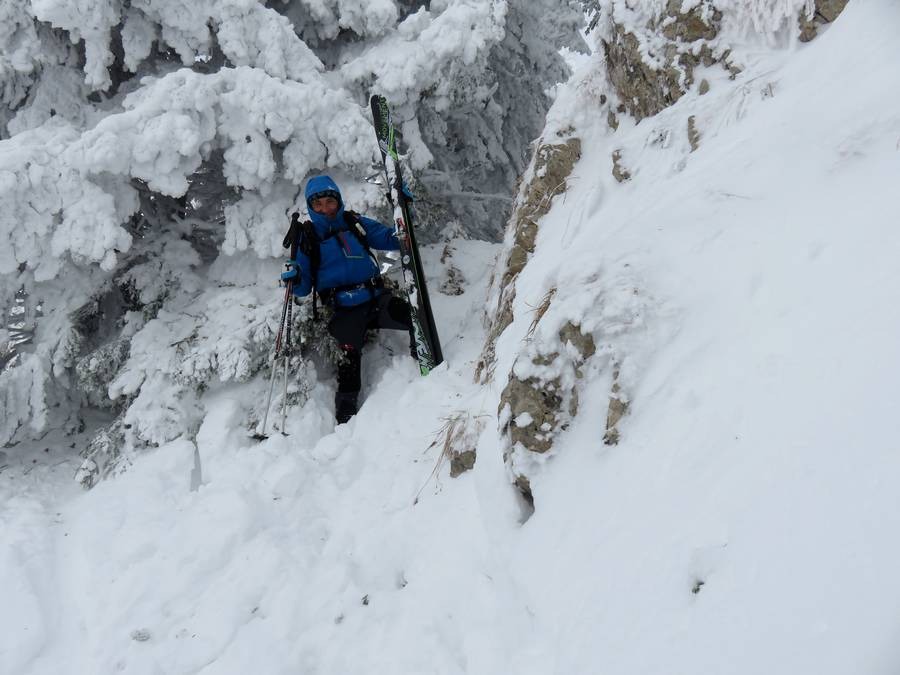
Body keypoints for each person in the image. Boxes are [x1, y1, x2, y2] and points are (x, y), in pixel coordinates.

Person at [281, 175, 414, 424]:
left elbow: (396, 240)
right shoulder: (307, 237)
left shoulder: (354, 223)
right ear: (311, 207)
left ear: (337, 201)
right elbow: (302, 290)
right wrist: (294, 277)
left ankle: (425, 368)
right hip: (343, 310)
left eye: (329, 202)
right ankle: (347, 420)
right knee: (349, 360)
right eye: (318, 205)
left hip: (376, 298)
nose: (325, 209)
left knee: (412, 316)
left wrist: (404, 210)